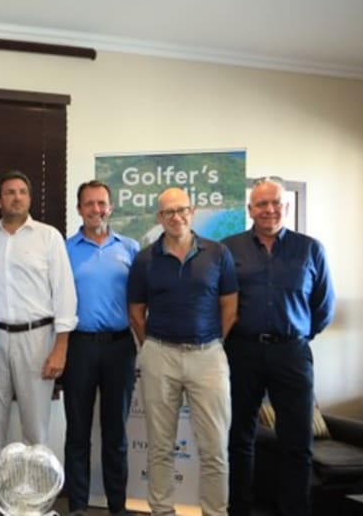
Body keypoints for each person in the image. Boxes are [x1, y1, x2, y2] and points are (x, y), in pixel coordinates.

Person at [222, 178, 335, 516]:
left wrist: (297, 336)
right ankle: (239, 509)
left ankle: (294, 511)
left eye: (275, 203)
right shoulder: (229, 249)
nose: (269, 210)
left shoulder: (310, 249)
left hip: (292, 353)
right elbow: (219, 300)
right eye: (261, 204)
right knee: (238, 438)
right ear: (250, 209)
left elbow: (324, 306)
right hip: (242, 352)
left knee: (297, 442)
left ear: (285, 207)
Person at [0, 170, 78, 516]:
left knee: (36, 431)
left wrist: (60, 346)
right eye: (9, 192)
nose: (16, 197)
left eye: (22, 192)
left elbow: (64, 293)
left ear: (29, 199)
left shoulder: (49, 237)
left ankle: (37, 506)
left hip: (38, 339)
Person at [127, 187, 239, 516]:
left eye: (182, 210)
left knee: (215, 447)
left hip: (208, 356)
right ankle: (162, 511)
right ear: (158, 218)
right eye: (168, 212)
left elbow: (229, 308)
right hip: (160, 354)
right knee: (160, 447)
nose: (176, 217)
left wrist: (211, 340)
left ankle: (215, 512)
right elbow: (136, 311)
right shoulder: (145, 258)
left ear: (192, 211)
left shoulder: (218, 253)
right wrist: (152, 347)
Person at [63, 181, 140, 516]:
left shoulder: (131, 247)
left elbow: (141, 300)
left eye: (102, 204)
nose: (96, 210)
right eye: (89, 204)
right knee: (78, 433)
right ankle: (78, 507)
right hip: (78, 347)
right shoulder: (64, 249)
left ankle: (117, 507)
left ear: (110, 207)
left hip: (120, 348)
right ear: (79, 209)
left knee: (116, 434)